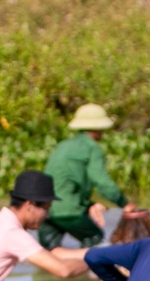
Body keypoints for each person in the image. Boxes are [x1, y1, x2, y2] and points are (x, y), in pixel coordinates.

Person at [39, 106, 143, 250]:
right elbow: (101, 181)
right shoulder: (91, 148)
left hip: (46, 210)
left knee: (48, 252)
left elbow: (62, 181)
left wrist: (88, 205)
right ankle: (87, 271)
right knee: (95, 239)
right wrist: (124, 203)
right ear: (98, 129)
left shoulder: (63, 145)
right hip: (68, 210)